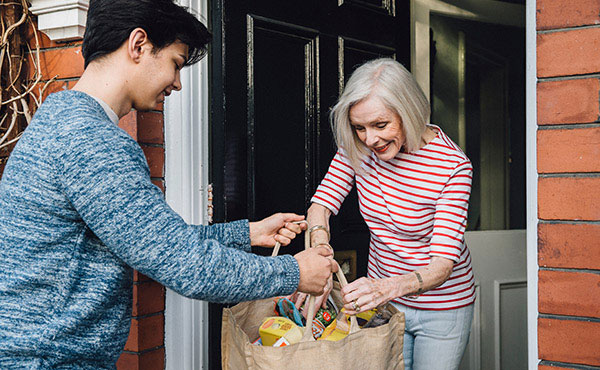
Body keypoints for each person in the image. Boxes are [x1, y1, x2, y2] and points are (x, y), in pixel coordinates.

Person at [0, 0, 336, 368]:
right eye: (175, 63)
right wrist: (295, 273)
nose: (177, 83)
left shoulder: (63, 119)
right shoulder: (91, 140)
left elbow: (155, 240)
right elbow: (184, 264)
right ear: (138, 45)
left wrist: (247, 233)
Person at [304, 58, 475, 370]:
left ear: (408, 111)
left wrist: (385, 287)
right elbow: (321, 205)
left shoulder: (452, 167)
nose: (370, 139)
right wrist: (320, 254)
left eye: (381, 125)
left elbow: (442, 265)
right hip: (385, 304)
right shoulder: (358, 147)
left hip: (442, 307)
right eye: (360, 128)